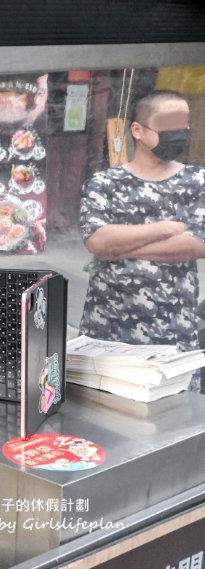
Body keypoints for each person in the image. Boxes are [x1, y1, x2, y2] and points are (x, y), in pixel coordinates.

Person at [79, 90, 205, 391]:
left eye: (183, 125)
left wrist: (119, 247)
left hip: (175, 331)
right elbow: (98, 242)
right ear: (138, 130)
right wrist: (165, 228)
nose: (179, 133)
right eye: (169, 124)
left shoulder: (197, 181)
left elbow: (196, 244)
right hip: (107, 330)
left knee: (178, 419)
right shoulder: (104, 184)